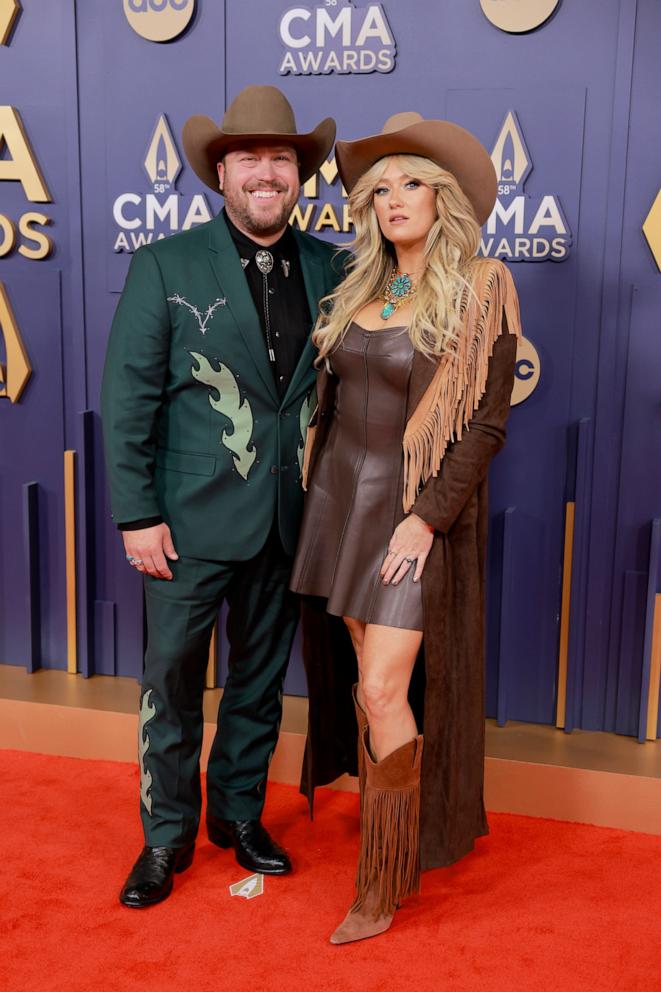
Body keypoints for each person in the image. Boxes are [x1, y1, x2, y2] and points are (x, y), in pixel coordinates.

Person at [101, 85, 342, 908]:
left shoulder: (331, 267)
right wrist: (137, 513)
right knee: (169, 684)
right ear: (220, 173)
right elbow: (130, 398)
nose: (266, 173)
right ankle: (165, 837)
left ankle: (237, 815)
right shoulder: (166, 263)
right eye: (249, 160)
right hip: (187, 525)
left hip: (288, 519)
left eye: (281, 159)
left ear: (299, 174)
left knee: (260, 683)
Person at [290, 112, 522, 943]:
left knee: (384, 688)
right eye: (379, 188)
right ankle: (392, 835)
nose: (394, 200)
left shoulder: (481, 287)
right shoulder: (358, 286)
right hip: (335, 504)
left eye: (411, 182)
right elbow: (334, 403)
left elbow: (485, 426)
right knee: (366, 682)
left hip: (407, 511)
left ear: (444, 197)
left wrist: (425, 520)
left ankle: (383, 881)